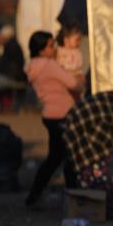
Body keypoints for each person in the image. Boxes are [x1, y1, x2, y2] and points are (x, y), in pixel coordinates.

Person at [24, 31, 83, 208]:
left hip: (50, 115)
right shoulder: (49, 65)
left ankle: (33, 197)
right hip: (63, 114)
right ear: (41, 50)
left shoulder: (33, 66)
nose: (54, 48)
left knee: (54, 158)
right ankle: (74, 199)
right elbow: (73, 84)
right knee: (70, 158)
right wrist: (80, 79)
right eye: (50, 45)